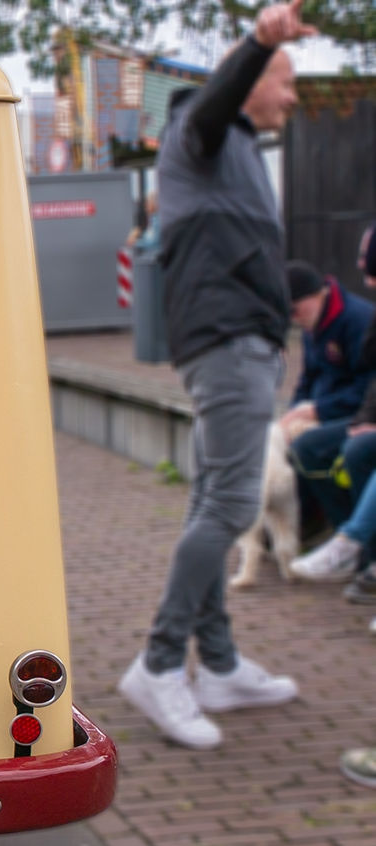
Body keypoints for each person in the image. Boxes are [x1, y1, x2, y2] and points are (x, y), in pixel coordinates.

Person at [117, 0, 312, 750]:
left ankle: (221, 665)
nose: (292, 98)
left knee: (214, 497)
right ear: (253, 77)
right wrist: (260, 40)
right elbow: (216, 98)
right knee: (231, 505)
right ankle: (161, 663)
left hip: (244, 339)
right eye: (285, 81)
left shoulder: (238, 153)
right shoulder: (200, 128)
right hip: (226, 340)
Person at [279, 261, 376, 531]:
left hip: (357, 414)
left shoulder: (357, 320)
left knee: (308, 448)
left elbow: (367, 387)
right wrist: (294, 411)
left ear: (315, 295)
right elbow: (306, 380)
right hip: (329, 411)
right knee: (280, 440)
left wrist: (318, 411)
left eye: (293, 310)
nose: (293, 319)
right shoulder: (313, 327)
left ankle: (344, 529)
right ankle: (301, 527)